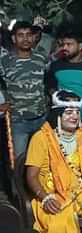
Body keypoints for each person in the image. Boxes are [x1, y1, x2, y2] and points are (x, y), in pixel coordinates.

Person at [25, 90, 82, 233]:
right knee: (61, 224)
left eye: (77, 112)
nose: (74, 116)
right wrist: (45, 198)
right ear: (58, 114)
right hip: (53, 193)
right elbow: (31, 176)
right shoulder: (41, 138)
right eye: (69, 112)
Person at [0, 21, 48, 157]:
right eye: (21, 35)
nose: (25, 39)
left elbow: (49, 82)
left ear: (34, 38)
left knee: (41, 160)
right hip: (18, 122)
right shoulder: (4, 61)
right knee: (19, 161)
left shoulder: (42, 58)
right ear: (14, 38)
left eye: (29, 35)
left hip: (41, 119)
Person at [47, 26, 82, 137]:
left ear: (80, 46)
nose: (65, 47)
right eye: (63, 44)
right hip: (64, 121)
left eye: (69, 44)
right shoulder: (55, 66)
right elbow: (51, 89)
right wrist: (62, 103)